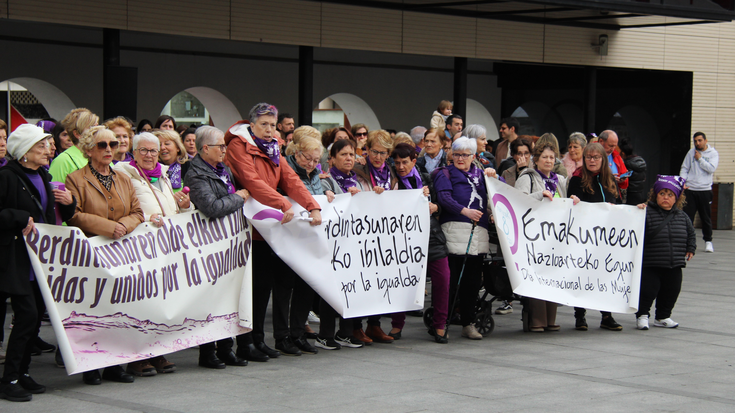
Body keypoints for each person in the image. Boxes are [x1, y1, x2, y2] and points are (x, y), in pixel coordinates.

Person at [225, 103, 322, 360]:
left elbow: (290, 179)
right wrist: (282, 203)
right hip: (248, 226)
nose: (269, 130)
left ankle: (261, 340)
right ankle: (248, 342)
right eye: (264, 124)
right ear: (252, 124)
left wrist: (313, 205)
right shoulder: (239, 145)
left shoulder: (273, 147)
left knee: (267, 284)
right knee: (253, 289)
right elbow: (251, 182)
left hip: (269, 227)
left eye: (272, 124)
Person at [0, 124, 76, 402]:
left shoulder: (43, 175)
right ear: (24, 153)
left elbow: (53, 214)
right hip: (16, 259)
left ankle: (22, 373)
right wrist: (17, 217)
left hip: (40, 260)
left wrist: (69, 202)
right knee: (28, 316)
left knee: (35, 317)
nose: (48, 150)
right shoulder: (7, 176)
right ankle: (9, 378)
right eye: (40, 146)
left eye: (47, 145)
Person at [65, 126, 144, 385]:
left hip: (121, 253)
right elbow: (74, 214)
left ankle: (114, 365)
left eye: (113, 144)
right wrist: (110, 227)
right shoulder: (75, 178)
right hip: (90, 254)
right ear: (89, 149)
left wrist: (125, 225)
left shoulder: (123, 178)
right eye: (102, 145)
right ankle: (91, 365)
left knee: (118, 308)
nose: (109, 149)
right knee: (93, 309)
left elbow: (137, 212)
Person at [111, 131, 191, 376]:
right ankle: (138, 358)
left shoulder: (164, 174)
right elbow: (123, 208)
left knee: (161, 301)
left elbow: (171, 208)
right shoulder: (124, 174)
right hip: (139, 247)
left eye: (153, 151)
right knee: (141, 302)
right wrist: (146, 219)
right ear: (133, 152)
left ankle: (157, 352)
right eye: (143, 150)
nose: (149, 155)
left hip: (165, 247)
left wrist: (185, 205)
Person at [183, 125, 250, 369]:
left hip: (229, 243)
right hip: (209, 244)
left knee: (227, 298)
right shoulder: (196, 174)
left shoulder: (223, 169)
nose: (224, 149)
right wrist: (239, 197)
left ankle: (226, 347)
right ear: (205, 148)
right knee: (211, 298)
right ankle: (208, 351)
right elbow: (211, 207)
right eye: (220, 146)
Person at [389, 143, 451, 343]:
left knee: (442, 280)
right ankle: (397, 324)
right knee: (402, 281)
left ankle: (439, 324)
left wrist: (435, 207)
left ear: (414, 161)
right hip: (403, 239)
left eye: (404, 162)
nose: (400, 166)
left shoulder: (426, 178)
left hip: (431, 237)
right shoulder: (392, 181)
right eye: (397, 162)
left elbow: (440, 204)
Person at [283, 134, 339, 352]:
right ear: (297, 153)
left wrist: (326, 193)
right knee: (286, 289)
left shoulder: (316, 175)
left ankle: (298, 334)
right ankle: (283, 335)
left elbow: (316, 198)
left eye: (316, 160)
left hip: (311, 240)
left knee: (307, 287)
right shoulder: (287, 170)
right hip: (290, 238)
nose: (311, 164)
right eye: (308, 158)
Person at [515, 142, 579, 332]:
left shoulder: (560, 179)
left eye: (552, 157)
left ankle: (551, 319)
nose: (549, 160)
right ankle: (537, 320)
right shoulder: (527, 176)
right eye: (545, 157)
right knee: (537, 275)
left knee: (553, 274)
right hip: (534, 235)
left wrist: (573, 200)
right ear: (536, 159)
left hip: (555, 236)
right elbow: (518, 200)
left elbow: (564, 201)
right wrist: (538, 195)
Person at [433, 137, 491, 340]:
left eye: (465, 155)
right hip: (455, 229)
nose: (460, 158)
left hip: (478, 232)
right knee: (451, 280)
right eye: (456, 154)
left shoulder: (483, 174)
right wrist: (464, 211)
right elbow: (444, 198)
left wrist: (494, 178)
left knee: (473, 282)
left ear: (473, 157)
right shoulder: (445, 174)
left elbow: (496, 195)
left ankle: (469, 322)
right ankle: (442, 321)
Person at [567, 143, 624, 331]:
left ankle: (606, 316)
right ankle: (580, 316)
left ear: (603, 159)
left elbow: (620, 204)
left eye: (596, 157)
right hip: (584, 236)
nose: (592, 160)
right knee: (582, 274)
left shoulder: (610, 180)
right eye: (589, 157)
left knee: (605, 275)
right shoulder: (577, 179)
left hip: (606, 237)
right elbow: (571, 205)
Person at [352, 130, 396, 344]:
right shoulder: (358, 169)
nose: (378, 157)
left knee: (382, 281)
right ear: (366, 149)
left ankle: (374, 324)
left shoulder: (391, 172)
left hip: (385, 234)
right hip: (363, 233)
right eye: (374, 151)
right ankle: (355, 326)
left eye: (383, 152)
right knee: (363, 281)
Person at [635, 175, 695, 330]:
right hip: (651, 263)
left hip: (674, 263)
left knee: (671, 291)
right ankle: (642, 315)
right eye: (662, 194)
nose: (666, 198)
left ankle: (663, 316)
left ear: (677, 198)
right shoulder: (646, 212)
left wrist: (691, 248)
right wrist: (637, 210)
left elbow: (691, 234)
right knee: (648, 291)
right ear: (656, 195)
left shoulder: (682, 216)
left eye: (670, 195)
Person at [680, 131, 719, 253]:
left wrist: (700, 159)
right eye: (695, 141)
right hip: (691, 189)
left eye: (700, 140)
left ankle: (708, 241)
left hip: (705, 190)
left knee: (705, 217)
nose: (697, 143)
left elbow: (711, 169)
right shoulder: (691, 153)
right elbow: (685, 168)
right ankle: (687, 242)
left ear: (705, 141)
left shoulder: (713, 153)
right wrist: (682, 182)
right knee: (687, 217)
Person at [48, 108, 99, 184]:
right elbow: (55, 192)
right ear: (77, 134)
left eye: (97, 126)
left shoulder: (102, 154)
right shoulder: (62, 161)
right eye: (91, 127)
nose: (98, 130)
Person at [619, 138, 647, 205]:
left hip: (629, 194)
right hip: (640, 193)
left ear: (622, 153)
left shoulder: (626, 164)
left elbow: (623, 178)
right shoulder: (640, 162)